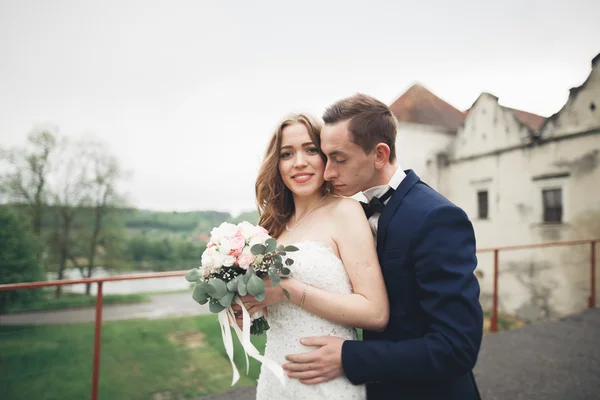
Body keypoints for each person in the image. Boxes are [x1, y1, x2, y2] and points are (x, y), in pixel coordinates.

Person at [280, 93, 484, 399]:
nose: (327, 172)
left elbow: (456, 348)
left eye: (339, 158)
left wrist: (350, 358)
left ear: (379, 154)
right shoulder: (355, 214)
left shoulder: (437, 218)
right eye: (326, 157)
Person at [242, 112, 389, 400]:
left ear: (327, 157)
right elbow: (271, 306)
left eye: (310, 149)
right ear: (277, 164)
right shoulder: (271, 228)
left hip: (326, 382)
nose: (299, 162)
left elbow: (376, 312)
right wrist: (247, 306)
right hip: (277, 380)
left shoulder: (345, 211)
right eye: (287, 153)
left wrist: (289, 291)